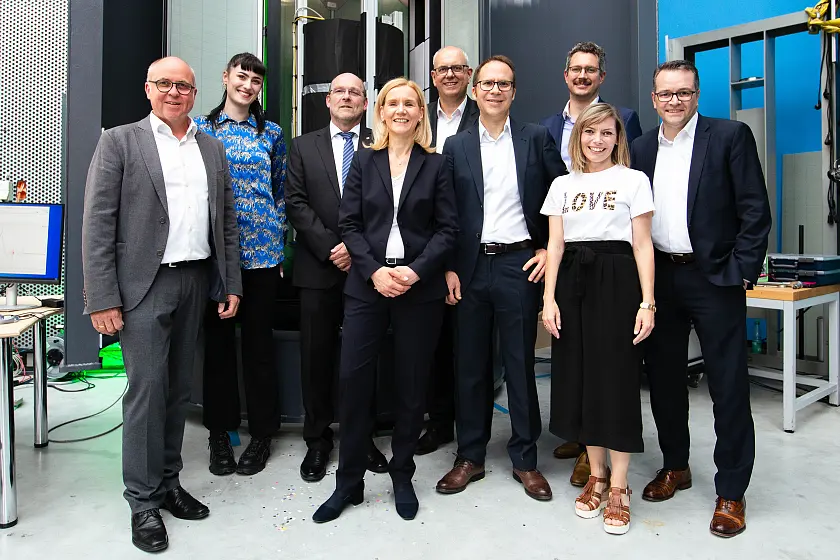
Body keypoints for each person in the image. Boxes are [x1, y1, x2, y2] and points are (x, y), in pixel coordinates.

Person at [82, 56, 242, 553]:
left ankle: (169, 481)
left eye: (184, 86)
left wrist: (230, 283)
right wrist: (102, 297)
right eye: (165, 84)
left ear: (195, 94)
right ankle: (142, 500)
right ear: (148, 88)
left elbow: (228, 223)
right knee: (147, 393)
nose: (175, 92)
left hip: (196, 280)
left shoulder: (210, 148)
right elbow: (97, 224)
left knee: (176, 391)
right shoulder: (120, 141)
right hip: (143, 287)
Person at [630, 59, 771, 538]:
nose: (675, 101)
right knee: (665, 382)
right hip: (661, 281)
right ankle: (676, 466)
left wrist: (740, 272)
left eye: (684, 93)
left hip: (715, 280)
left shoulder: (729, 137)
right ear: (653, 98)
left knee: (728, 386)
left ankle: (731, 489)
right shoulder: (642, 147)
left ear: (697, 94)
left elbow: (755, 209)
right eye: (666, 94)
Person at [313, 78, 457, 523]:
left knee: (412, 387)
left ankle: (401, 474)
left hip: (419, 288)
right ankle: (349, 482)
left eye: (409, 103)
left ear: (419, 114)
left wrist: (414, 271)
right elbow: (349, 224)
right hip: (367, 285)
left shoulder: (436, 165)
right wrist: (375, 271)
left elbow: (448, 229)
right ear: (381, 111)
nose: (400, 110)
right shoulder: (364, 161)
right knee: (354, 384)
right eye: (392, 102)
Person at [436, 55, 566, 502]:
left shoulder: (536, 138)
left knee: (519, 366)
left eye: (504, 84)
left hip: (518, 266)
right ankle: (469, 456)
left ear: (514, 91)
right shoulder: (456, 145)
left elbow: (559, 195)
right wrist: (450, 265)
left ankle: (525, 459)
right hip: (470, 269)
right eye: (487, 83)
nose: (494, 90)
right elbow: (446, 213)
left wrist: (549, 248)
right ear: (475, 90)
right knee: (470, 366)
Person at [541, 103, 655, 535]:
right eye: (591, 133)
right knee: (582, 379)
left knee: (617, 380)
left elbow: (643, 246)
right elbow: (554, 246)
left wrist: (648, 302)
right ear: (579, 137)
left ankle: (621, 485)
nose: (598, 141)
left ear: (617, 137)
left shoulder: (633, 181)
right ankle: (597, 474)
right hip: (572, 282)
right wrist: (549, 299)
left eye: (607, 133)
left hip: (618, 280)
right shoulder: (560, 185)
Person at [285, 72, 388, 482]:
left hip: (368, 270)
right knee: (316, 356)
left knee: (366, 357)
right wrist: (333, 247)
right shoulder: (302, 146)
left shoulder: (379, 144)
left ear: (366, 104)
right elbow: (295, 202)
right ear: (327, 101)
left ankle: (361, 437)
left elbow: (386, 206)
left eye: (355, 93)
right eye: (340, 92)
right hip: (318, 268)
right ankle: (318, 439)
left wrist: (357, 250)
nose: (347, 98)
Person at [193, 52, 283, 477]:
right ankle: (219, 435)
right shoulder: (201, 131)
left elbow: (280, 192)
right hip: (216, 259)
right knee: (219, 349)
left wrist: (277, 239)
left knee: (260, 348)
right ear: (226, 77)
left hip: (263, 259)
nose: (248, 85)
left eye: (255, 80)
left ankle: (263, 434)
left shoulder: (272, 134)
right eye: (241, 77)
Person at [417, 45, 480, 456]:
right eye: (443, 69)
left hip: (471, 243)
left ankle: (474, 428)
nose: (451, 75)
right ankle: (439, 423)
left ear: (469, 73)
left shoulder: (485, 115)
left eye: (458, 68)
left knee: (470, 345)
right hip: (424, 244)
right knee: (434, 342)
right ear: (433, 75)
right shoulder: (418, 116)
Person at [541, 41, 642, 171]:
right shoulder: (546, 127)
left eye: (590, 70)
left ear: (602, 77)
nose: (582, 76)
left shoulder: (624, 119)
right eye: (576, 69)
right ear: (566, 76)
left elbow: (632, 169)